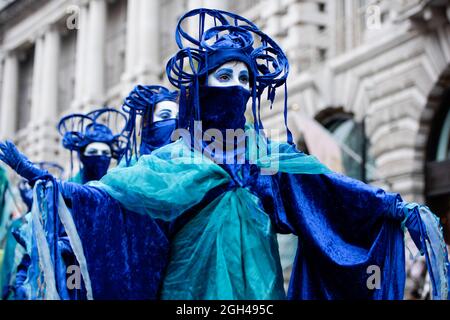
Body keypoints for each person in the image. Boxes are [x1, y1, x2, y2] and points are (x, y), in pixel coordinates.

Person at [0, 8, 448, 300]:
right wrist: (51, 184)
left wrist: (392, 206)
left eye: (243, 77)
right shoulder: (177, 156)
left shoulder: (264, 157)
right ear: (201, 88)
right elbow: (115, 197)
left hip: (259, 293)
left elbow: (325, 188)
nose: (234, 86)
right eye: (223, 75)